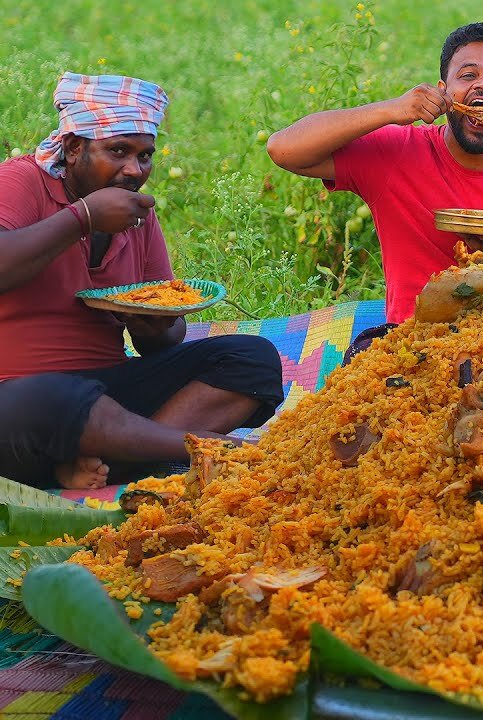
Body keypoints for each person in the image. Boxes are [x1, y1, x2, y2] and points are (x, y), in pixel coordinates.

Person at [0, 72, 284, 490]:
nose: (134, 170)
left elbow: (164, 334)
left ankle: (106, 464)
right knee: (52, 401)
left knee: (251, 358)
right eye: (118, 151)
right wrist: (83, 218)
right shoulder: (20, 181)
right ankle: (204, 448)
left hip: (111, 395)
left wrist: (155, 326)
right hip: (22, 396)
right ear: (74, 147)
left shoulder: (136, 215)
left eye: (145, 155)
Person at [267, 20, 483, 332]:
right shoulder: (397, 153)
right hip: (413, 343)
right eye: (468, 75)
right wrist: (392, 110)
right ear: (443, 92)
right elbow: (284, 148)